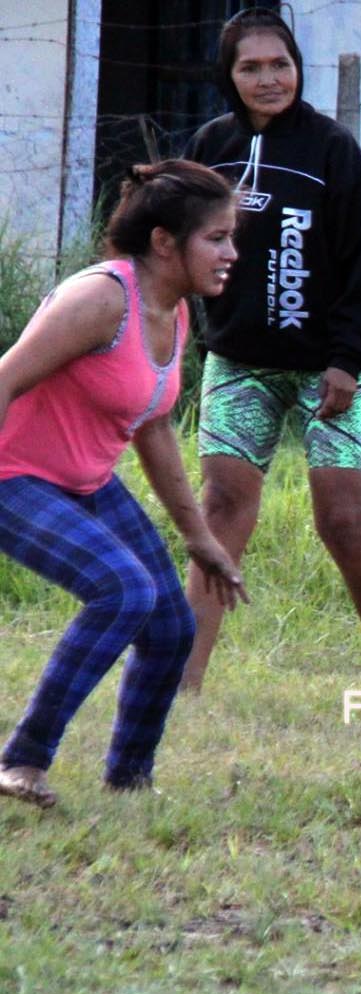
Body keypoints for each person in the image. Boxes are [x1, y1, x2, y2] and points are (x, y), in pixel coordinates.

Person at [0, 161, 249, 808]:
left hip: (84, 482)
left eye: (231, 237)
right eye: (216, 238)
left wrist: (199, 539)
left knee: (170, 623)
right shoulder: (103, 299)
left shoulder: (175, 308)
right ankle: (23, 760)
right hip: (12, 475)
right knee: (122, 589)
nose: (232, 252)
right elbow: (5, 379)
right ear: (165, 241)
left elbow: (155, 427)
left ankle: (130, 780)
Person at [181, 8, 361, 698]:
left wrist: (349, 358)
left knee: (342, 519)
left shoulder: (333, 151)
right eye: (250, 67)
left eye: (280, 64)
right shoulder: (208, 149)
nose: (268, 79)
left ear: (297, 67)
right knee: (220, 507)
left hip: (329, 369)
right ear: (229, 75)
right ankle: (185, 677)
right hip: (238, 363)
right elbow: (180, 251)